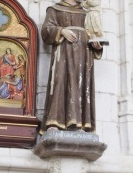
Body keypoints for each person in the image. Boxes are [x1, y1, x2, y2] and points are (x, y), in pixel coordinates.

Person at [40, 0, 103, 133]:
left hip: (83, 55)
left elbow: (94, 32)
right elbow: (46, 30)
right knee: (60, 83)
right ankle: (54, 123)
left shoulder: (87, 12)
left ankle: (80, 124)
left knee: (81, 86)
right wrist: (61, 31)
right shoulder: (54, 9)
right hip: (63, 53)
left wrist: (96, 44)